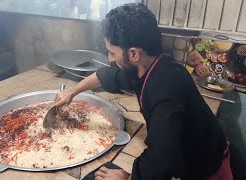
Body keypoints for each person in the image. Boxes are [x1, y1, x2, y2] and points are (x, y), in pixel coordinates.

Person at [54, 3, 233, 180]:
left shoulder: (164, 93)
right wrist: (72, 92)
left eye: (111, 53)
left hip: (206, 170)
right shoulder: (150, 65)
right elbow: (108, 76)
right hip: (189, 153)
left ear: (133, 54)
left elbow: (160, 162)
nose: (109, 59)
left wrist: (127, 178)